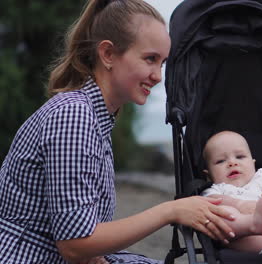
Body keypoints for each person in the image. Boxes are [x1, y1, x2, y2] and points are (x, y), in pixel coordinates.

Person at [0, 1, 235, 263]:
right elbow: (75, 243)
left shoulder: (95, 118)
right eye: (150, 59)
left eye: (162, 63)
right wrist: (172, 211)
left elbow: (76, 236)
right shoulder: (74, 116)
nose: (158, 76)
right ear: (108, 54)